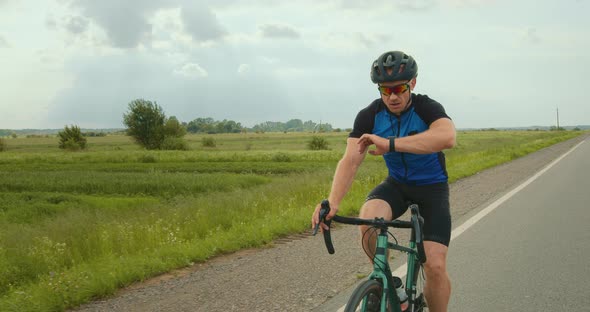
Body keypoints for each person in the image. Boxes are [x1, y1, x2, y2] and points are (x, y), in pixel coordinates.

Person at [311, 50, 456, 312]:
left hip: (432, 188)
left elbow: (447, 137)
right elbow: (350, 161)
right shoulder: (370, 115)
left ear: (412, 84)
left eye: (399, 88)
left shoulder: (427, 107)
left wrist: (390, 143)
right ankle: (389, 284)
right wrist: (332, 202)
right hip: (397, 184)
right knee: (368, 221)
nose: (393, 96)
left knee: (434, 265)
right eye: (385, 90)